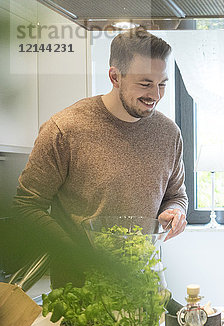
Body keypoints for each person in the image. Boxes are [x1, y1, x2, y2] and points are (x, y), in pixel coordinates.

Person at [13, 28, 187, 287]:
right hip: (79, 288)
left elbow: (176, 195)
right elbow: (26, 206)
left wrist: (174, 211)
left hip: (143, 284)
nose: (156, 95)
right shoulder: (65, 129)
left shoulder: (168, 133)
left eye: (162, 84)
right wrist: (77, 256)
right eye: (145, 83)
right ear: (115, 76)